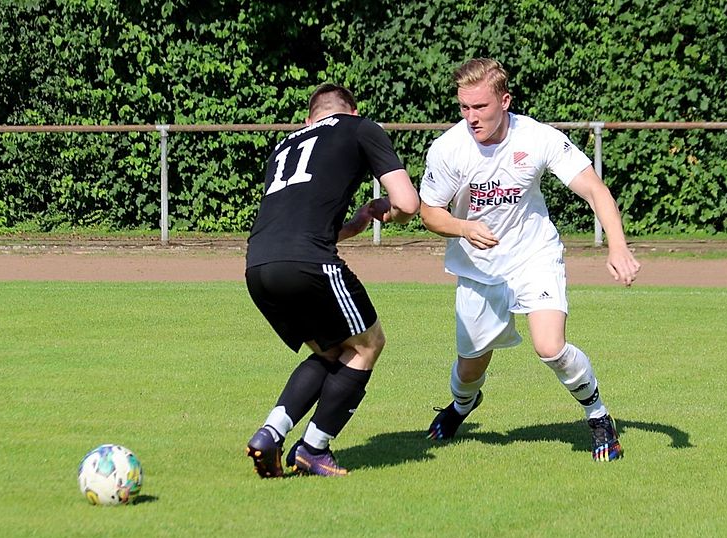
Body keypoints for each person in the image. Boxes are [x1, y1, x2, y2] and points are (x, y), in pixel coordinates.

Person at [419, 58, 641, 461]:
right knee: (469, 370)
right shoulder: (448, 148)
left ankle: (598, 416)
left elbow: (594, 190)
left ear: (505, 101)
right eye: (464, 108)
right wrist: (463, 228)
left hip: (533, 256)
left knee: (550, 346)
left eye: (480, 107)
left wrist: (618, 245)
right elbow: (429, 211)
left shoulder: (538, 138)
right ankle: (461, 407)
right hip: (478, 268)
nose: (471, 118)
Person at [244, 83, 420, 477]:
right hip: (309, 264)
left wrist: (353, 225)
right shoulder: (360, 128)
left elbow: (297, 221)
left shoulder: (285, 146)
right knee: (367, 344)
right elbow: (408, 203)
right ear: (352, 112)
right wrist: (390, 213)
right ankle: (313, 448)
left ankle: (271, 434)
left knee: (328, 350)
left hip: (258, 266)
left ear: (310, 119)